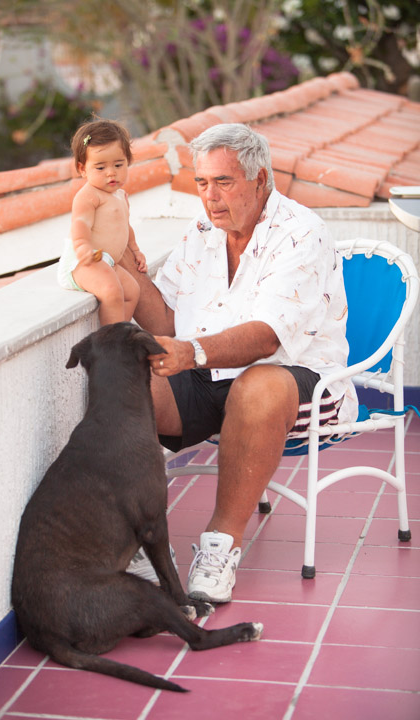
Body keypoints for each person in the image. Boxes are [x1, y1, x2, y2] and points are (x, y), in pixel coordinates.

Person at [122, 123, 358, 603]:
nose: (209, 197)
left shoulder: (301, 232)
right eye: (201, 182)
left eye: (223, 182)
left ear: (260, 179)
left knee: (258, 385)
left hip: (299, 381)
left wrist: (190, 352)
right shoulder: (203, 230)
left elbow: (266, 337)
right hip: (210, 373)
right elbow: (165, 317)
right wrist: (121, 258)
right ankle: (135, 540)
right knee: (128, 380)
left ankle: (221, 545)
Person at [57, 119, 147, 324]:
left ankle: (120, 330)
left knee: (132, 292)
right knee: (111, 291)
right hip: (82, 262)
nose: (111, 172)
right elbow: (80, 224)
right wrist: (82, 247)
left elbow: (125, 226)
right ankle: (111, 335)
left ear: (128, 162)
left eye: (118, 165)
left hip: (106, 262)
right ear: (82, 169)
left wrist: (135, 250)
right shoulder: (89, 195)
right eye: (100, 167)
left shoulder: (120, 195)